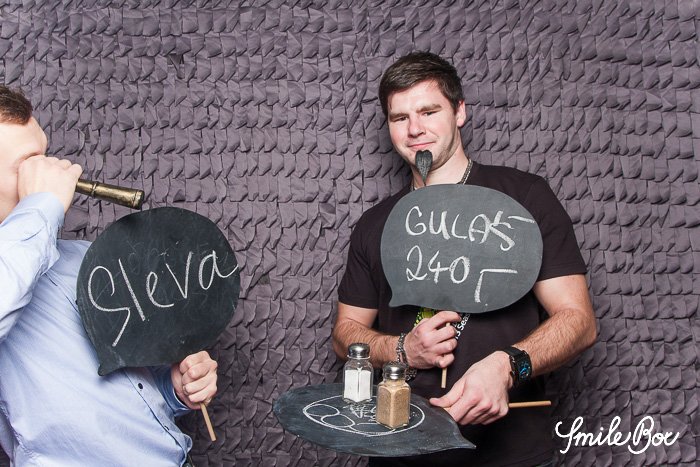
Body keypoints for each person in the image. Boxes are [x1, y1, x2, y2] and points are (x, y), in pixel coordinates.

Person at [332, 52, 596, 466]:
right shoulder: (374, 224)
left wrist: (508, 366)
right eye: (400, 117)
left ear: (459, 111)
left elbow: (578, 321)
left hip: (510, 455)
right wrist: (400, 348)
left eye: (428, 111)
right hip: (398, 452)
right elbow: (344, 334)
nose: (414, 129)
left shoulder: (525, 198)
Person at [0, 85, 218, 466]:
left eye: (45, 156)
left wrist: (175, 389)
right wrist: (43, 205)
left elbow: (126, 389)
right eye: (29, 164)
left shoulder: (85, 260)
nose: (52, 171)